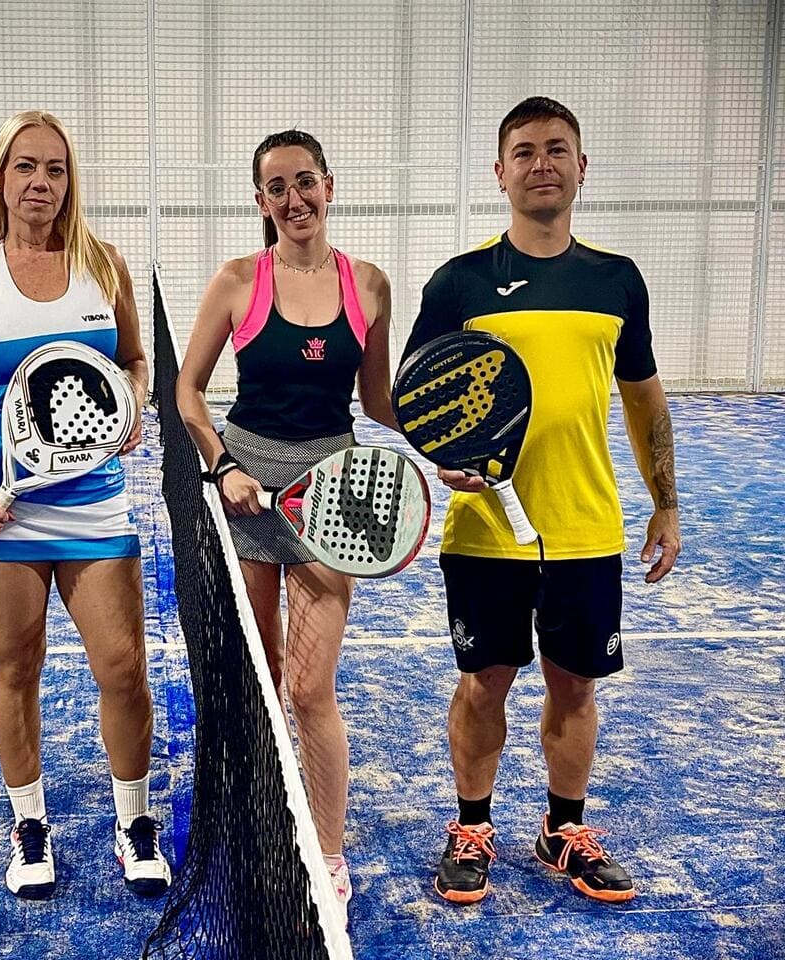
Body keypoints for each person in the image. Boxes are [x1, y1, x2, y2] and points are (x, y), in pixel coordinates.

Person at [402, 96, 681, 906]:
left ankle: (563, 829)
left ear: (582, 167)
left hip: (585, 527)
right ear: (500, 173)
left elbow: (645, 398)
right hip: (488, 531)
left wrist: (666, 502)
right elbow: (423, 399)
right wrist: (447, 462)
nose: (541, 163)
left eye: (557, 149)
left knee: (576, 686)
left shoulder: (615, 280)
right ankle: (473, 826)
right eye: (523, 152)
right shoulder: (460, 282)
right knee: (485, 682)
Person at [0, 110, 170, 900]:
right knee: (15, 665)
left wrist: (132, 405)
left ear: (71, 181)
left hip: (95, 504)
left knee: (123, 667)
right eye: (26, 167)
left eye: (56, 169)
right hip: (5, 510)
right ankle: (29, 824)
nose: (42, 182)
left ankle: (134, 821)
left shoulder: (105, 265)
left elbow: (135, 362)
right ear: (1, 177)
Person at [176, 129, 395, 923]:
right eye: (277, 187)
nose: (294, 198)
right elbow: (188, 393)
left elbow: (377, 403)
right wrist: (221, 466)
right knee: (261, 672)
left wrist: (445, 443)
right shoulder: (238, 280)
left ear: (329, 187)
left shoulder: (369, 284)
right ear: (260, 200)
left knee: (310, 685)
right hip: (244, 488)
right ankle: (257, 803)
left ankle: (328, 853)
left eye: (306, 182)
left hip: (333, 492)